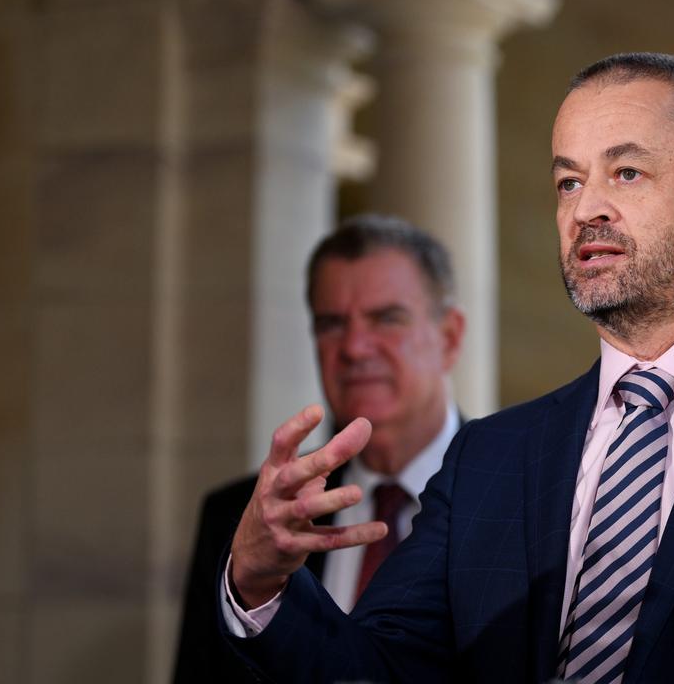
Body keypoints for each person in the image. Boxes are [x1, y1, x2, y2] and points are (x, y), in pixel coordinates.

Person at [220, 53, 674, 682]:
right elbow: (374, 670)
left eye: (627, 173)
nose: (587, 210)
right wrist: (259, 580)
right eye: (569, 182)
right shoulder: (489, 458)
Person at [172, 214, 465, 681]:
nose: (353, 347)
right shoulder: (247, 520)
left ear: (449, 337)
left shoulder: (527, 501)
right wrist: (253, 581)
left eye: (386, 318)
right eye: (331, 324)